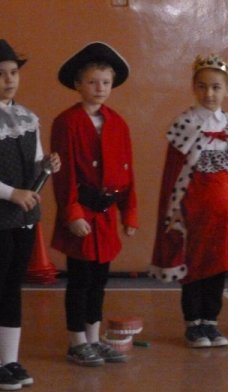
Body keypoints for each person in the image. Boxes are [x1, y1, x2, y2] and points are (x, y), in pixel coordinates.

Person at [0, 39, 60, 389]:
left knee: (13, 287)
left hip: (24, 217)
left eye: (14, 73)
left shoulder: (29, 118)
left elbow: (34, 164)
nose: (9, 80)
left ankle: (10, 360)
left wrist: (46, 165)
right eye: (0, 74)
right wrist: (11, 193)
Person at [150, 53, 228, 348]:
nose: (209, 93)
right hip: (195, 212)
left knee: (218, 265)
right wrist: (175, 211)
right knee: (195, 265)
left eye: (215, 87)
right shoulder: (184, 123)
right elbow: (174, 174)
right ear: (193, 88)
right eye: (202, 87)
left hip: (225, 216)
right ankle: (193, 323)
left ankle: (211, 321)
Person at [51, 42, 138, 366]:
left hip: (105, 217)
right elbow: (65, 175)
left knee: (99, 282)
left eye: (105, 82)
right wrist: (72, 213)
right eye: (92, 82)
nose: (99, 88)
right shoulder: (67, 122)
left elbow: (127, 171)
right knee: (80, 280)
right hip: (82, 213)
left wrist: (129, 212)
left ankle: (93, 337)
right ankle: (77, 342)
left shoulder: (118, 123)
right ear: (78, 84)